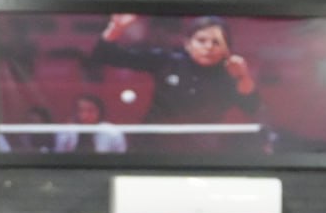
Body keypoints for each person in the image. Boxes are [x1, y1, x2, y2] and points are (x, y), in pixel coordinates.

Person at [90, 13, 260, 152]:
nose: (208, 47)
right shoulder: (168, 61)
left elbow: (252, 107)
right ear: (187, 43)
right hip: (151, 148)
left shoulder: (231, 72)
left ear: (226, 48)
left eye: (216, 42)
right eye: (201, 40)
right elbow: (106, 55)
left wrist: (243, 76)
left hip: (200, 153)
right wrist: (116, 28)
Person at [54, 94, 128, 154]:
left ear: (100, 112)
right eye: (81, 110)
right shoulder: (66, 131)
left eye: (91, 110)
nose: (85, 115)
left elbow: (120, 158)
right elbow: (59, 156)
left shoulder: (112, 132)